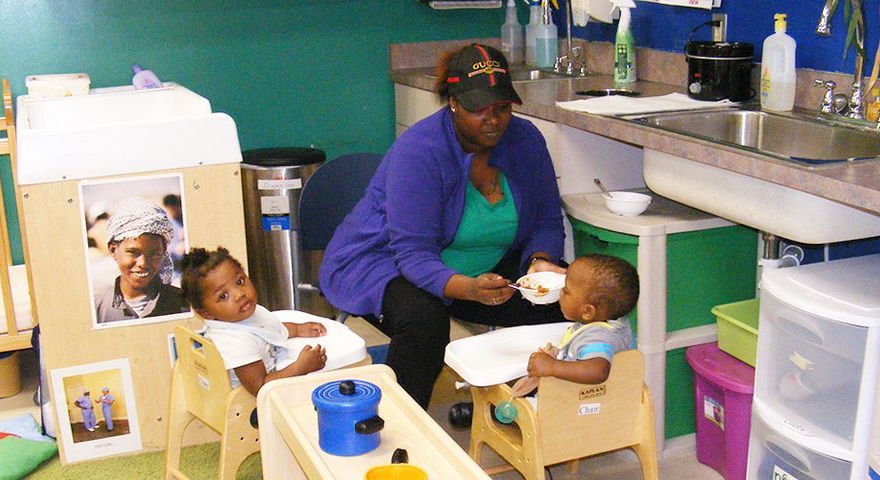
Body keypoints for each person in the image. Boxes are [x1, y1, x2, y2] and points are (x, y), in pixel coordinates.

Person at [320, 43, 568, 407]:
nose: (494, 119)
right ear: (452, 101)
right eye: (478, 109)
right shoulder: (420, 152)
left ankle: (526, 416)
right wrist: (469, 288)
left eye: (502, 107)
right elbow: (413, 254)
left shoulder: (526, 140)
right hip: (383, 263)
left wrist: (540, 263)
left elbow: (547, 219)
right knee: (424, 320)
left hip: (476, 269)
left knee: (571, 298)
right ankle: (401, 428)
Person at [181, 247, 328, 395]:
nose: (239, 294)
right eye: (223, 296)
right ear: (206, 313)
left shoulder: (240, 316)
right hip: (248, 405)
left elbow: (265, 330)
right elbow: (261, 387)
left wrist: (298, 329)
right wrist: (302, 367)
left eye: (239, 281)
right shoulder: (234, 341)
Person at [523, 254, 639, 388]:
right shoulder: (614, 322)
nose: (561, 292)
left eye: (566, 291)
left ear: (587, 312)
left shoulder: (596, 337)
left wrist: (553, 366)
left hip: (592, 404)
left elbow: (598, 371)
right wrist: (559, 354)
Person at [94, 198, 190, 322]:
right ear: (113, 250)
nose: (143, 263)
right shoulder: (98, 310)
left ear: (164, 251)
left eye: (154, 253)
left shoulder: (184, 305)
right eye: (133, 252)